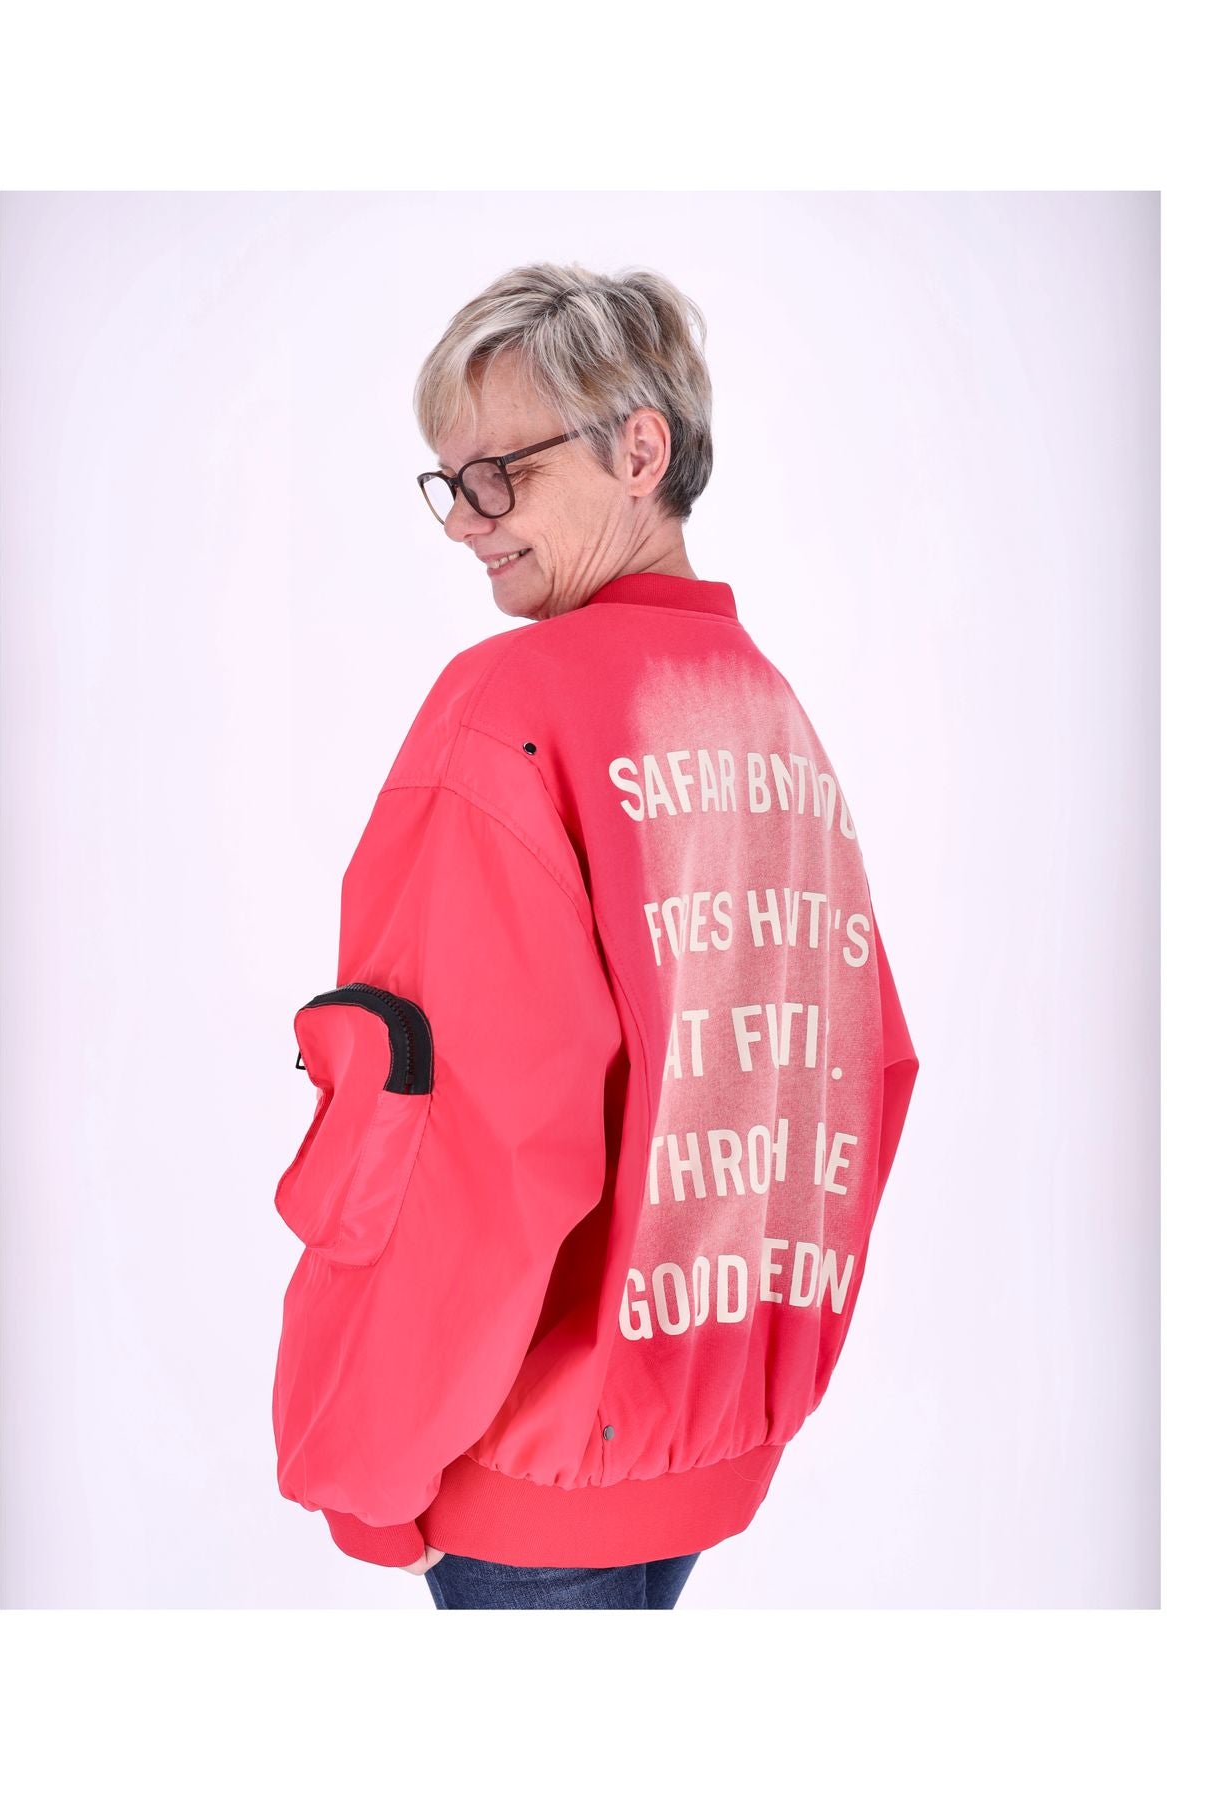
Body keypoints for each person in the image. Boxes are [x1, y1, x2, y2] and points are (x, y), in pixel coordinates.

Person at [271, 261, 920, 1611]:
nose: (465, 523)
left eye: (496, 475)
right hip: (705, 1443)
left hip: (522, 1465)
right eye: (448, 483)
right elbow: (856, 1078)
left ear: (639, 451)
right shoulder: (767, 715)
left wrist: (369, 1477)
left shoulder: (507, 707)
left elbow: (466, 1138)